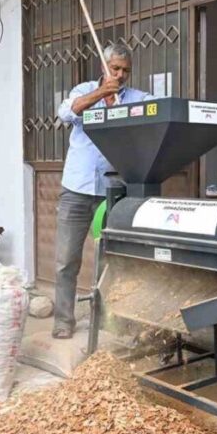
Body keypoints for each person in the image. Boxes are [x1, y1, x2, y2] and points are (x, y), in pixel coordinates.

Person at [52, 44, 151, 339]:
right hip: (77, 189)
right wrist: (100, 93)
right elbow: (65, 113)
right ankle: (63, 320)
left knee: (112, 260)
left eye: (125, 71)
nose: (120, 75)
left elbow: (157, 109)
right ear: (103, 67)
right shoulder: (83, 90)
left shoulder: (135, 97)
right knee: (66, 259)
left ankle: (110, 319)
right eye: (115, 69)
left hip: (113, 191)